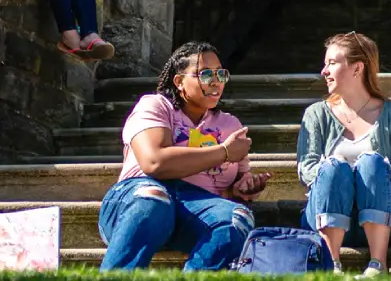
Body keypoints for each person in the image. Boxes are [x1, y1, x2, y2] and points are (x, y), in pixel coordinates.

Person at [96, 42, 275, 270]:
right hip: (137, 201)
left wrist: (243, 188)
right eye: (205, 74)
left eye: (221, 73)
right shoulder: (156, 106)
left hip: (196, 210)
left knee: (237, 218)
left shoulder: (230, 125)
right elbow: (154, 162)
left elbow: (237, 182)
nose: (216, 80)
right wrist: (224, 152)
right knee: (154, 199)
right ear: (179, 81)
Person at [296, 32, 391, 276]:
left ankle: (378, 264)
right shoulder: (316, 114)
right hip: (324, 215)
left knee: (371, 163)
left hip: (381, 220)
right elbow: (306, 169)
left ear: (357, 68)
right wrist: (341, 175)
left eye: (332, 63)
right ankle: (331, 265)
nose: (324, 71)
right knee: (334, 168)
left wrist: (368, 182)